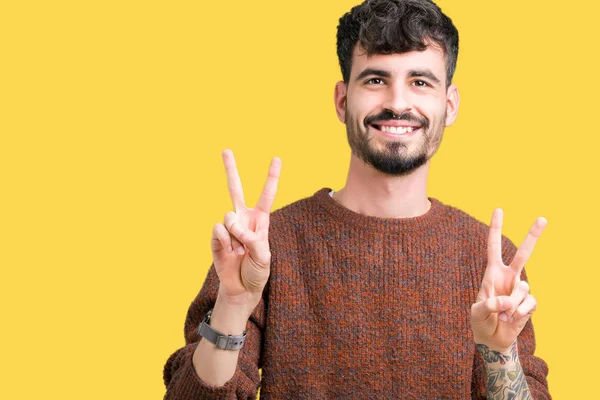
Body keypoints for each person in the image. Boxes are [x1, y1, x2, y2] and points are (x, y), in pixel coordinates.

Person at [163, 0, 551, 398]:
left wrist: (499, 352)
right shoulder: (262, 245)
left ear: (449, 105)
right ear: (342, 100)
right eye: (375, 80)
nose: (398, 103)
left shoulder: (490, 262)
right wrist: (233, 303)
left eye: (420, 82)